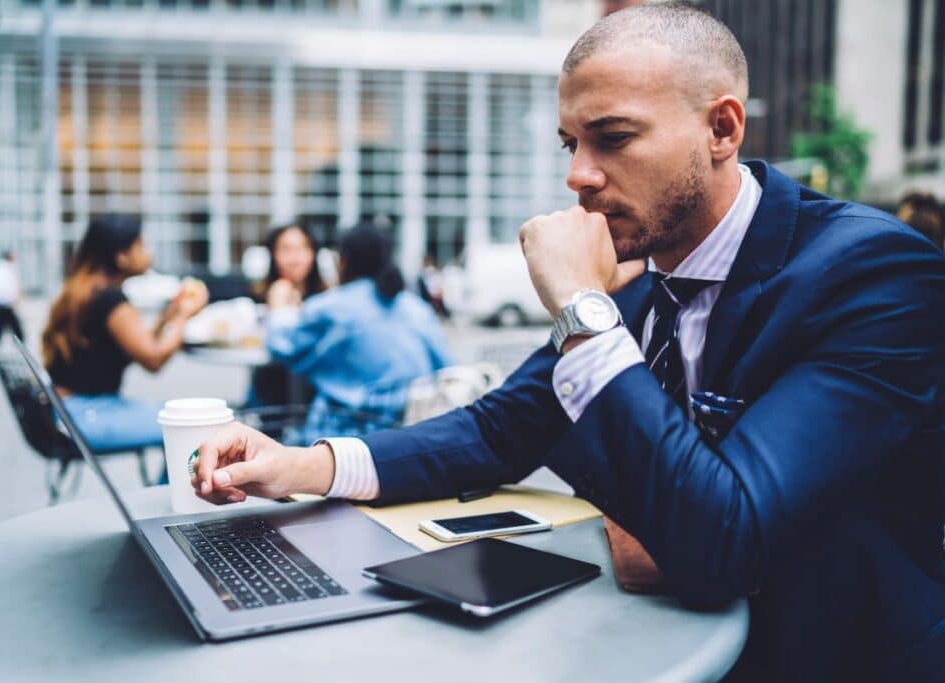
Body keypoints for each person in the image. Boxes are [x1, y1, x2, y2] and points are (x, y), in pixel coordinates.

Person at [190, 5, 945, 680]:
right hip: (662, 640)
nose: (580, 176)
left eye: (612, 138)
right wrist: (304, 464)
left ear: (722, 128)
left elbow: (725, 542)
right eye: (571, 143)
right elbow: (496, 429)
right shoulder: (649, 279)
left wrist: (583, 310)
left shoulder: (873, 273)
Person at [261, 223, 453, 443]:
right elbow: (447, 367)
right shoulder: (415, 307)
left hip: (344, 437)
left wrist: (278, 308)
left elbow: (281, 346)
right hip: (408, 435)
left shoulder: (332, 306)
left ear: (344, 260)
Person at [42, 214, 207, 453]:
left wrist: (166, 318)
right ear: (121, 257)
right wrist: (184, 316)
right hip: (86, 415)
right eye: (140, 245)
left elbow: (135, 346)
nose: (148, 253)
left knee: (180, 417)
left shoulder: (85, 290)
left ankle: (167, 489)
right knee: (187, 427)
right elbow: (153, 360)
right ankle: (169, 491)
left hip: (66, 410)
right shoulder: (110, 299)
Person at [247, 224, 327, 407]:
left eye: (303, 248)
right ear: (273, 255)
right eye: (286, 249)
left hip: (315, 393)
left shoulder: (326, 299)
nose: (295, 258)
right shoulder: (260, 294)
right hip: (270, 389)